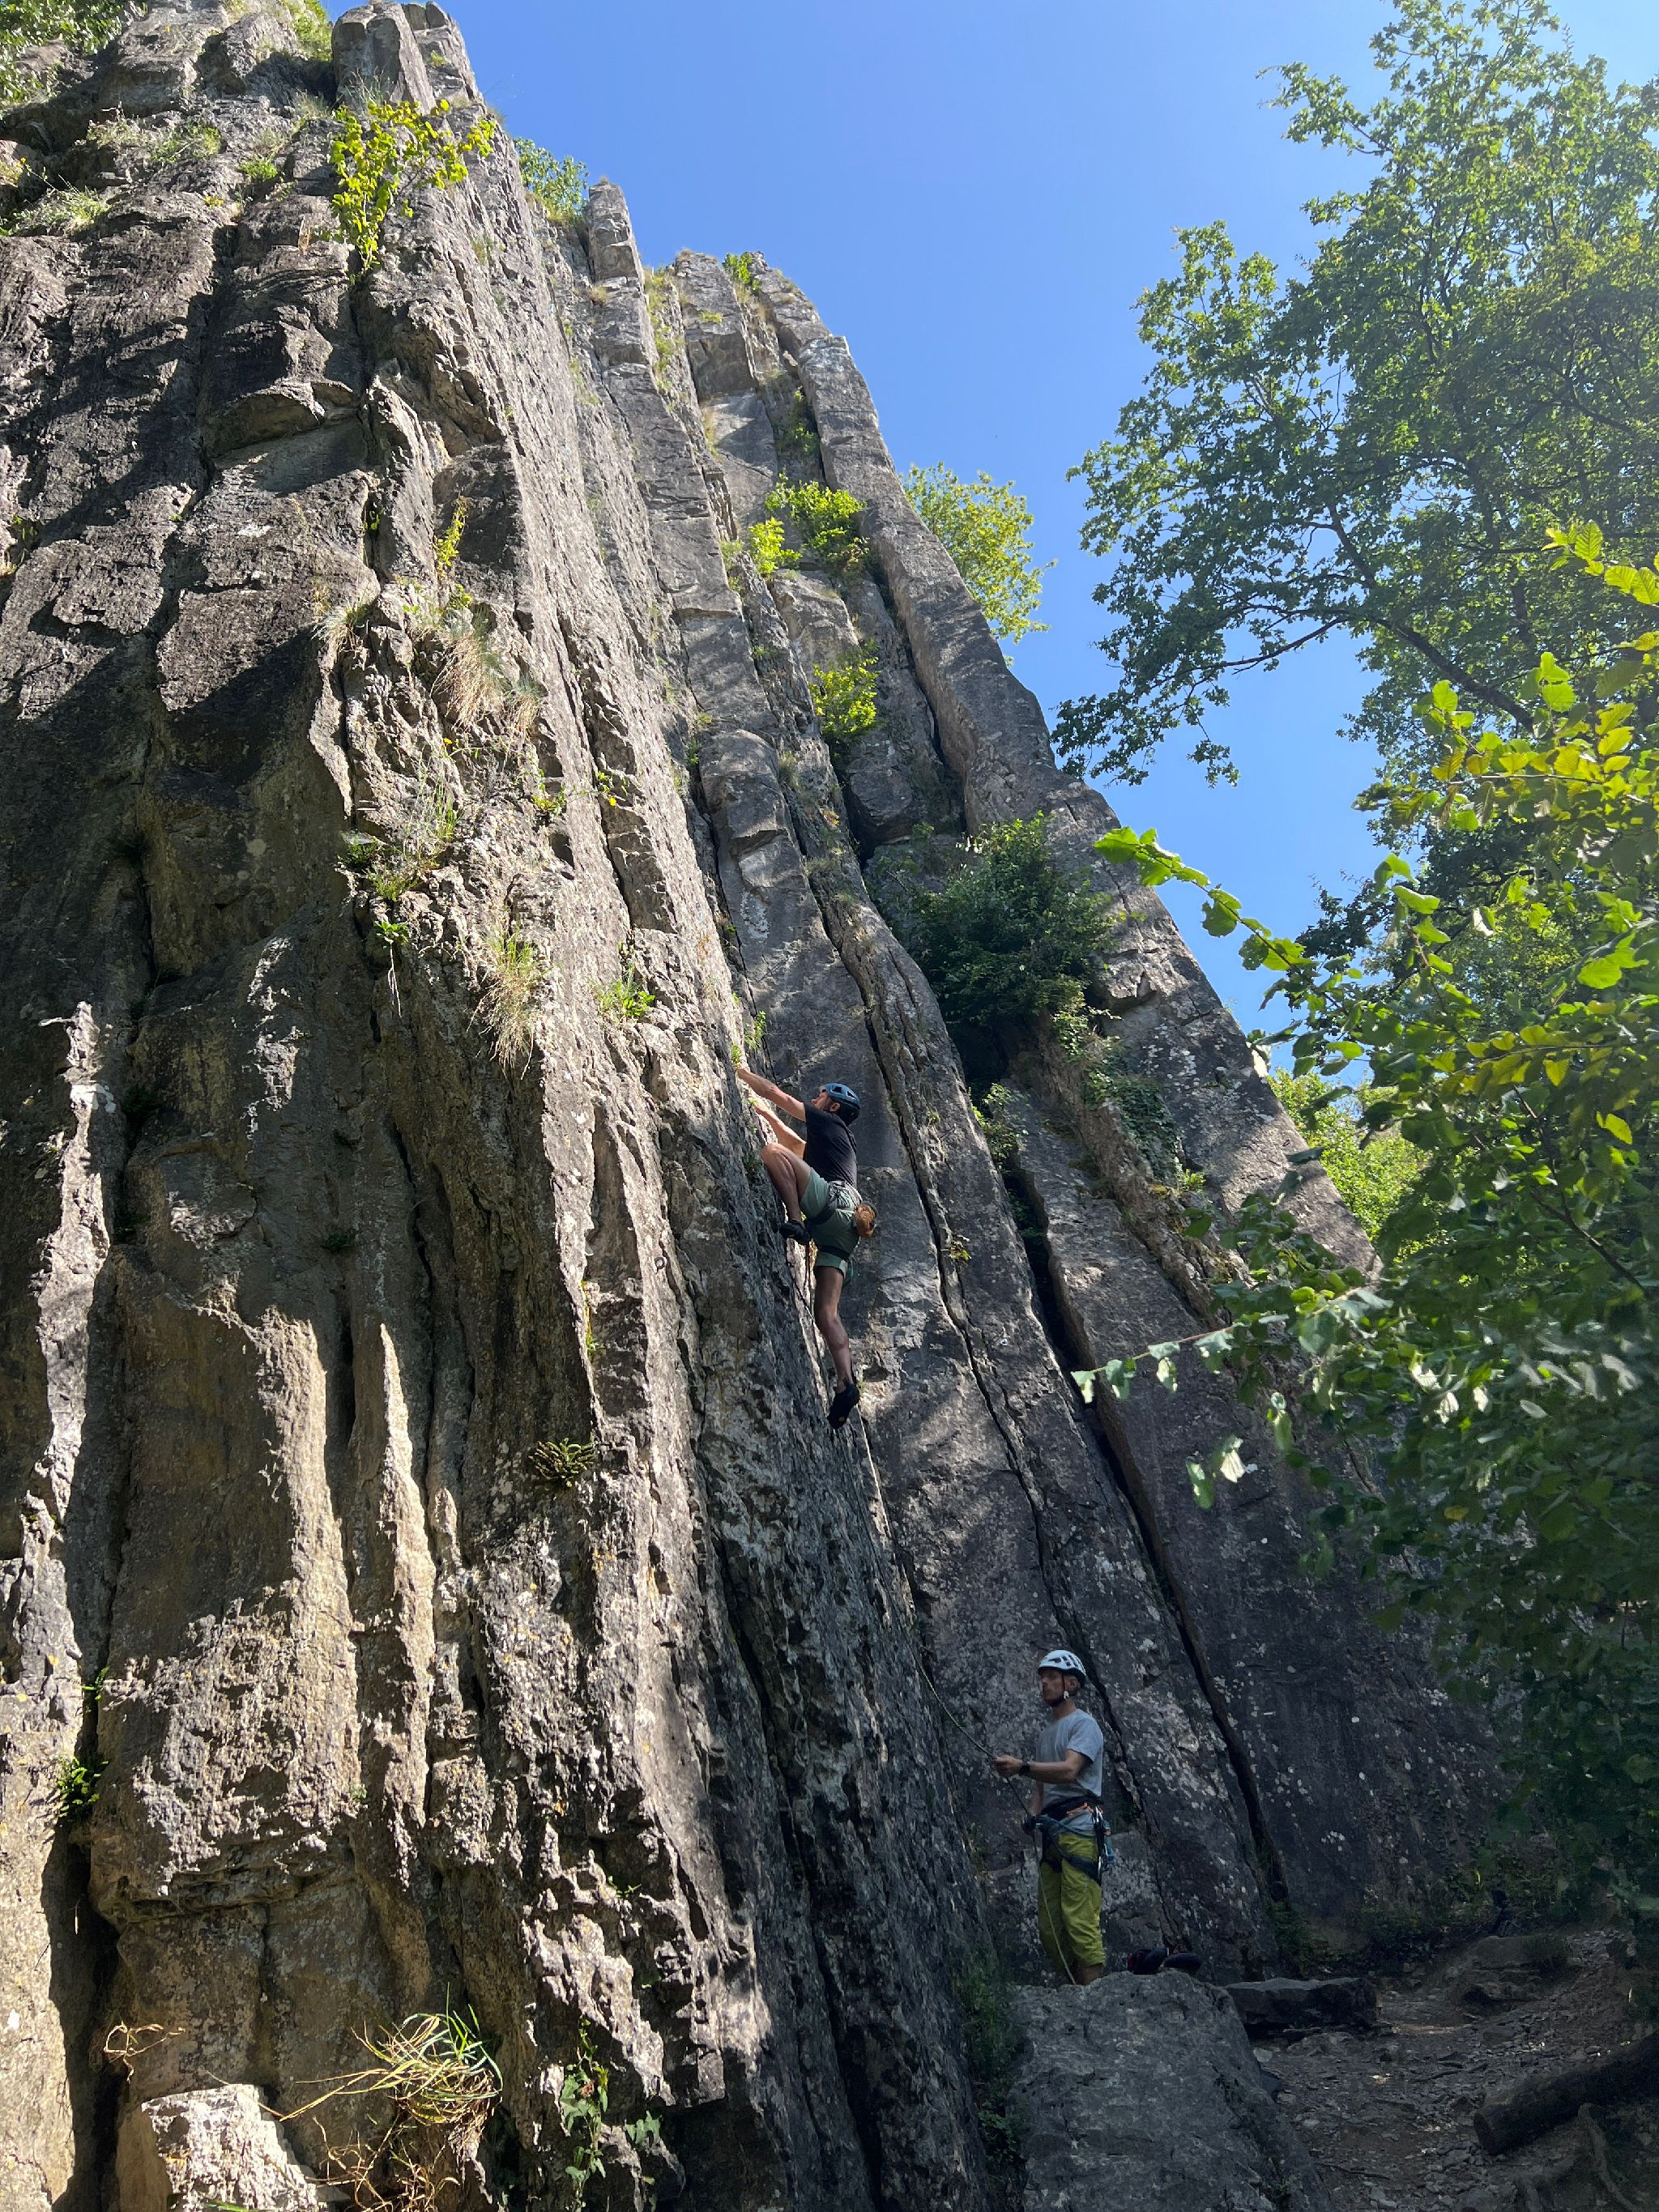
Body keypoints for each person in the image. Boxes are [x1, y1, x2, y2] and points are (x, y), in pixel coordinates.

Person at [736, 1063, 875, 1429]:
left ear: (833, 1106)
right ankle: (846, 1382)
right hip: (844, 1232)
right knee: (827, 1314)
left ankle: (795, 1220)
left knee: (770, 1154)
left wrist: (740, 1073)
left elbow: (778, 1097)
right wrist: (767, 1116)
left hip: (833, 1204)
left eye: (821, 1095)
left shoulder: (829, 1122)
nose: (815, 1098)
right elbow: (795, 1145)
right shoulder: (834, 1144)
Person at [992, 1648, 1109, 1984]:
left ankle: (1096, 1997)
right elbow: (1041, 1789)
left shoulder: (1084, 1725)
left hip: (1081, 1827)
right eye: (1043, 1678)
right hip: (1054, 1832)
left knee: (1079, 1919)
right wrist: (1033, 1816)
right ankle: (1078, 1991)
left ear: (1071, 1683)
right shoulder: (1047, 1734)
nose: (1044, 1683)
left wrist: (1022, 1767)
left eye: (1052, 1677)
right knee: (1050, 1928)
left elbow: (1070, 1771)